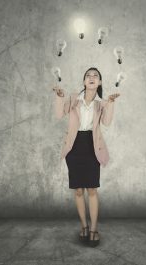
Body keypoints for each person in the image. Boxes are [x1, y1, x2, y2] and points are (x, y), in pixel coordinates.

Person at [54, 67, 120, 247]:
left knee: (92, 189)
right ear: (84, 81)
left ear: (99, 82)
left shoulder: (102, 103)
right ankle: (83, 226)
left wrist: (111, 103)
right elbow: (59, 114)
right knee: (77, 190)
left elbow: (106, 122)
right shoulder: (74, 97)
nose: (91, 77)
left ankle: (93, 229)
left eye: (95, 76)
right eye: (88, 75)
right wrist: (60, 97)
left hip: (92, 146)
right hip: (74, 146)